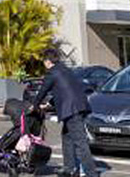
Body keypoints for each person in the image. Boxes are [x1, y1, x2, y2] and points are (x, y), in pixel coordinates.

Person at [32, 48, 98, 177]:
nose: (44, 64)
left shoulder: (52, 73)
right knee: (67, 137)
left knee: (80, 142)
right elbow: (64, 89)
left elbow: (43, 90)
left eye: (44, 61)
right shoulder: (64, 70)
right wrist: (49, 104)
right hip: (80, 107)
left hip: (72, 110)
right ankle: (69, 169)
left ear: (47, 61)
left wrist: (34, 105)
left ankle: (91, 173)